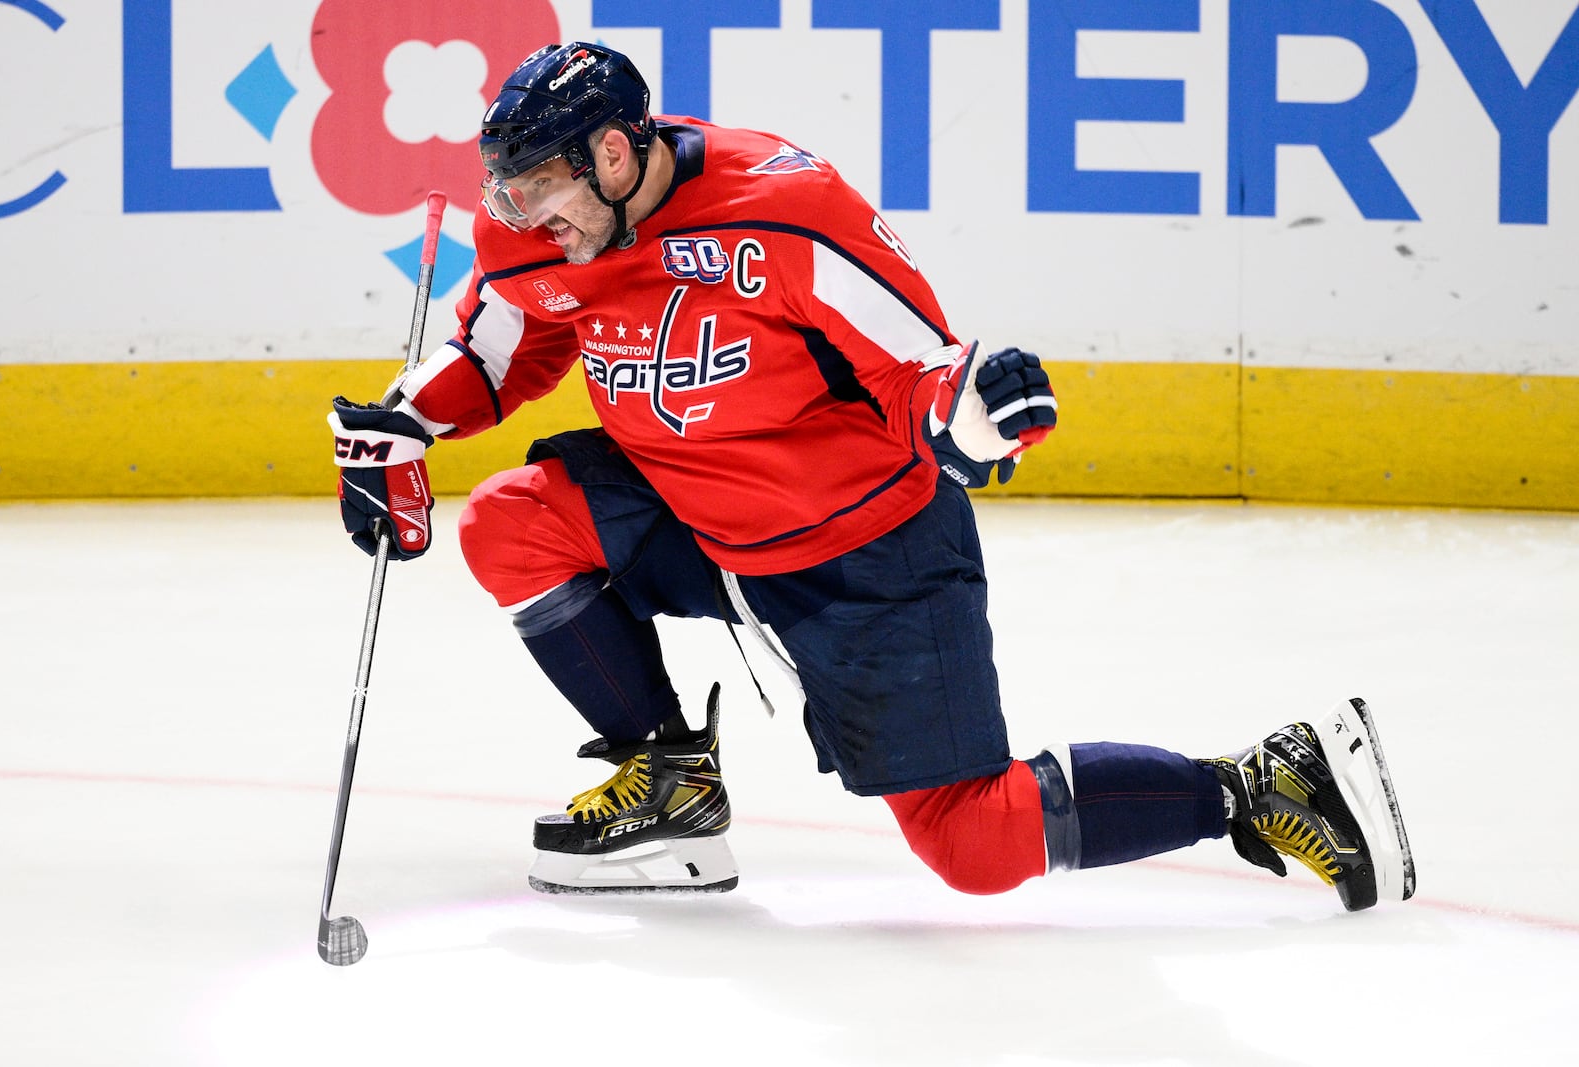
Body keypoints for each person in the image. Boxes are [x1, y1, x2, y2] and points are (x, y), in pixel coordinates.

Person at [329, 41, 1415, 909]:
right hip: (689, 507)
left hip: (858, 549)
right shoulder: (536, 231)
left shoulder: (786, 212)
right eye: (507, 194)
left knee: (974, 842)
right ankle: (668, 778)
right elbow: (500, 350)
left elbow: (923, 369)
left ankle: (1259, 781)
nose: (520, 217)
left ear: (614, 153)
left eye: (541, 190)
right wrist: (407, 422)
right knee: (515, 520)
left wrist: (976, 410)